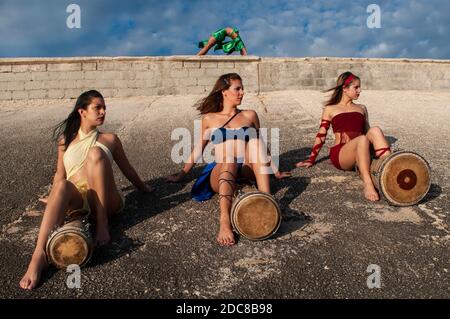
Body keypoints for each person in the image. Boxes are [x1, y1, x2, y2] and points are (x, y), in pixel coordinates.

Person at [19, 90, 153, 290]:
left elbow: (128, 169)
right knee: (62, 186)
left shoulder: (110, 139)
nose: (102, 112)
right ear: (82, 111)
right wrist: (55, 197)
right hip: (77, 201)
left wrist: (144, 188)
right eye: (97, 108)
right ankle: (39, 255)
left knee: (95, 152)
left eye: (104, 108)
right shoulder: (65, 140)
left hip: (106, 200)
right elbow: (60, 175)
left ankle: (101, 224)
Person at [167, 73, 290, 246]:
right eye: (237, 88)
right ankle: (225, 221)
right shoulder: (210, 118)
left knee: (254, 140)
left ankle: (267, 202)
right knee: (229, 158)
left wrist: (275, 171)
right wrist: (182, 174)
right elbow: (199, 149)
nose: (242, 92)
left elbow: (262, 146)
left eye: (242, 88)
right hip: (221, 170)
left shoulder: (250, 115)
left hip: (247, 169)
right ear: (224, 91)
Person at [295, 72, 391, 201]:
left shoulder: (362, 108)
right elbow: (321, 136)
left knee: (375, 129)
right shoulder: (330, 109)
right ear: (345, 89)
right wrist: (311, 159)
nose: (360, 90)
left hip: (362, 150)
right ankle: (368, 184)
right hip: (342, 154)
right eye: (356, 87)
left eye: (359, 87)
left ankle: (390, 167)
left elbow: (368, 131)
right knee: (362, 139)